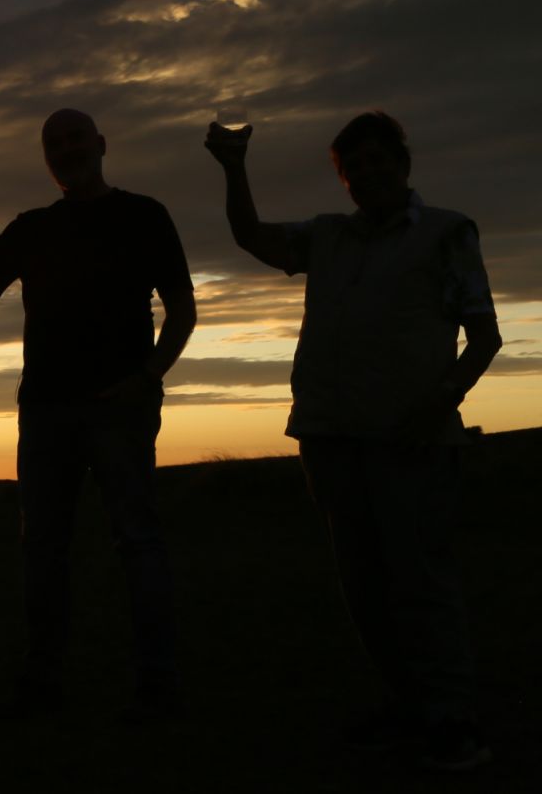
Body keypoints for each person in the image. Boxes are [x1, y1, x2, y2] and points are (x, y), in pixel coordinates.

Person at [205, 111, 502, 772]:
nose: (367, 172)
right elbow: (252, 236)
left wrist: (441, 401)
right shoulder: (329, 237)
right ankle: (407, 705)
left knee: (421, 580)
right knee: (364, 585)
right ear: (342, 176)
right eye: (353, 165)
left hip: (411, 444)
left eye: (377, 159)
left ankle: (454, 718)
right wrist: (233, 167)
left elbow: (484, 336)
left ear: (402, 162)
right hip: (331, 436)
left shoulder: (447, 233)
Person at [0, 108, 197, 719]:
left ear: (101, 144)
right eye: (54, 143)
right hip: (48, 408)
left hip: (120, 407)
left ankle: (157, 681)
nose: (65, 150)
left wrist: (147, 379)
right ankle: (44, 677)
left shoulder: (144, 215)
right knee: (45, 548)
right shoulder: (33, 228)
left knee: (136, 542)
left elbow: (182, 309)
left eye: (74, 138)